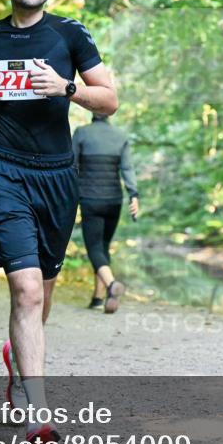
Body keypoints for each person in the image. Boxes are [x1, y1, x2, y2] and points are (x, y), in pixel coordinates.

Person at [0, 0, 118, 444]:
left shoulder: (69, 34)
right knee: (24, 289)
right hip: (4, 172)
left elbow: (109, 98)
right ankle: (37, 417)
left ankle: (16, 361)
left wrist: (66, 89)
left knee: (41, 293)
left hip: (57, 176)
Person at [72, 113, 140, 313]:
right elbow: (127, 168)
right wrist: (133, 195)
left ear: (92, 112)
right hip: (114, 200)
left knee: (94, 248)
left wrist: (70, 197)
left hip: (90, 199)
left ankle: (111, 285)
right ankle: (98, 298)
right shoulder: (120, 135)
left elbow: (72, 166)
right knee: (103, 247)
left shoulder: (81, 133)